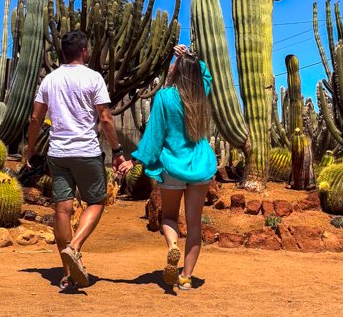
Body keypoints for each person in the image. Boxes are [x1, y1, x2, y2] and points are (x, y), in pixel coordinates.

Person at [23, 30, 126, 290]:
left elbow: (36, 118)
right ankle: (75, 246)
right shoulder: (93, 78)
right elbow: (104, 117)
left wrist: (30, 148)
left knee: (62, 210)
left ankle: (68, 274)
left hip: (57, 153)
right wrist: (117, 150)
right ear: (83, 51)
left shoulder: (50, 80)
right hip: (86, 151)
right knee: (96, 201)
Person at [119, 45, 216, 291]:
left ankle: (173, 247)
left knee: (170, 217)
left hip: (172, 167)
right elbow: (206, 75)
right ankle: (185, 277)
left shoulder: (164, 97)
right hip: (200, 167)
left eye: (174, 65)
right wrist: (188, 58)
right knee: (194, 225)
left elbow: (154, 135)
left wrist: (135, 160)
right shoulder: (200, 94)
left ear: (177, 72)